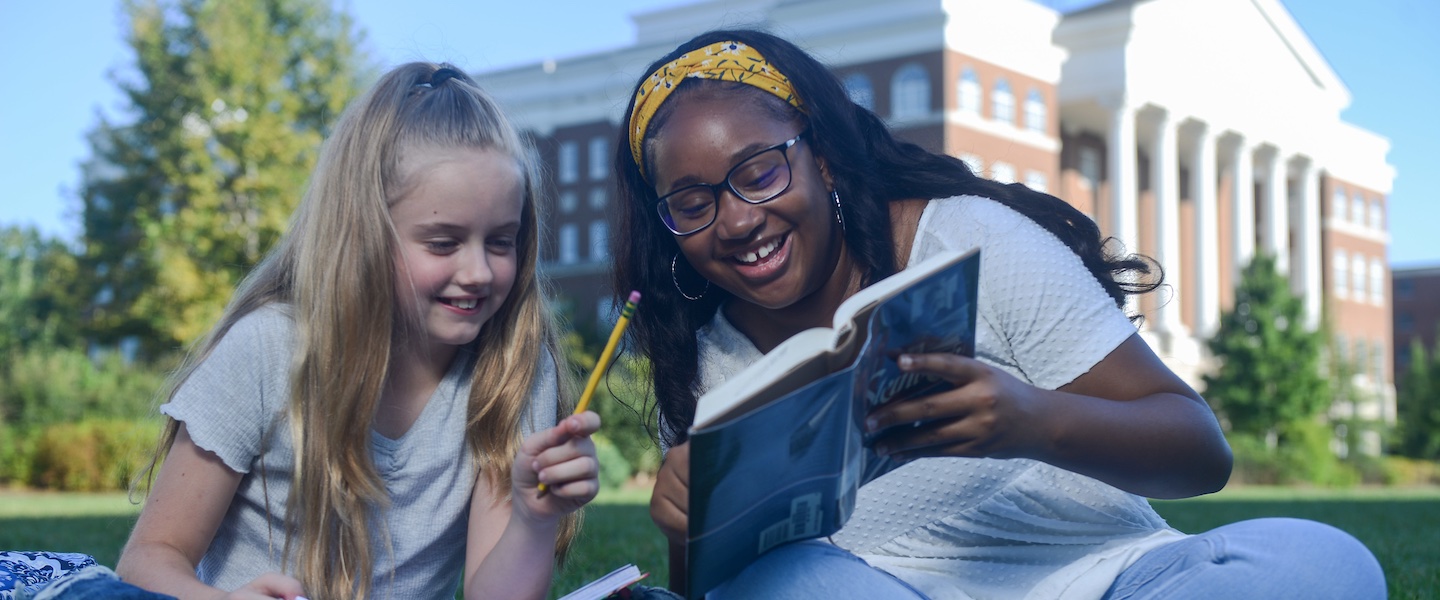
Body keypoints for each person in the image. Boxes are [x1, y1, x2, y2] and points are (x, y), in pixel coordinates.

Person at [611, 30, 1385, 599]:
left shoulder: (967, 237)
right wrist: (689, 530)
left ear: (822, 159)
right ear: (666, 222)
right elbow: (723, 589)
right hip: (875, 592)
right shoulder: (700, 365)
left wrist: (1030, 420)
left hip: (1115, 578)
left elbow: (1201, 454)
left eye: (758, 172)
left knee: (1322, 564)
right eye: (693, 201)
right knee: (787, 586)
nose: (738, 219)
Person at [115, 62, 601, 600]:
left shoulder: (513, 369)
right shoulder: (269, 348)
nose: (479, 273)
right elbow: (147, 561)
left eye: (501, 242)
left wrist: (533, 521)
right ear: (365, 233)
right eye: (443, 243)